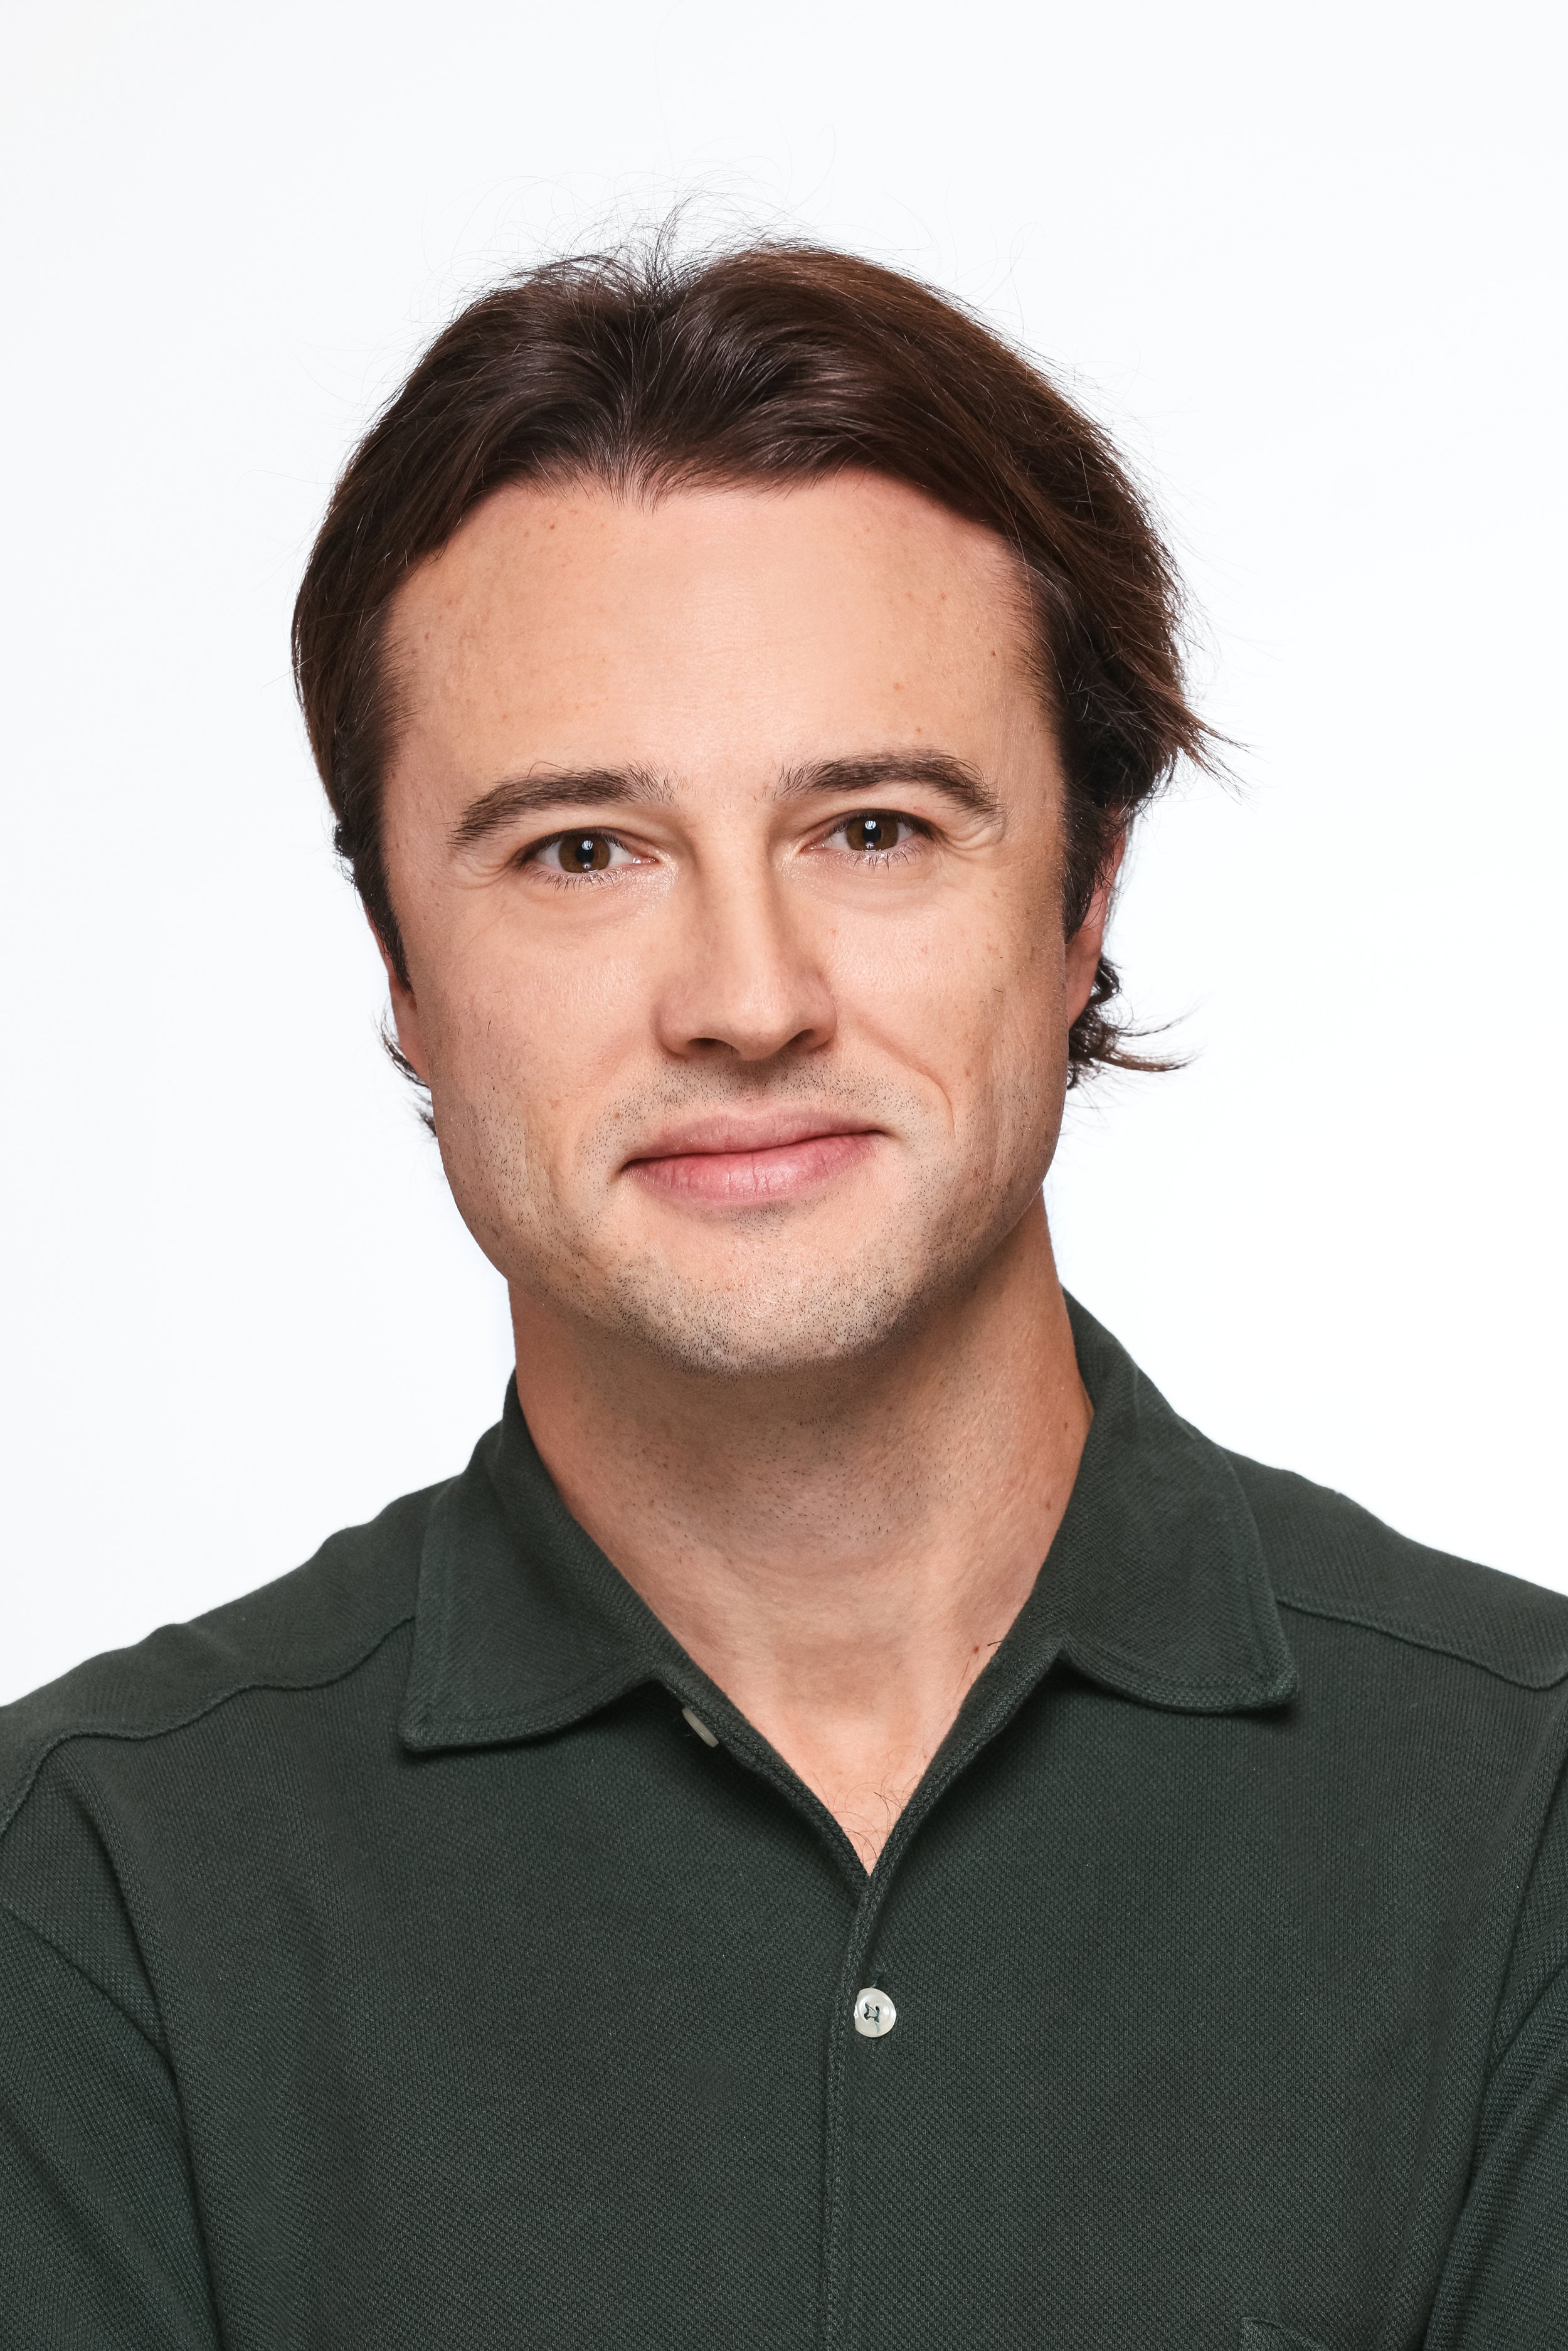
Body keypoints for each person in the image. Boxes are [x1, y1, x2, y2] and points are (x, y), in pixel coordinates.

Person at [1, 238, 1563, 2351]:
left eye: (874, 828)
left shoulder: (1525, 1815)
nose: (745, 999)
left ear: (1086, 894)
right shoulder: (83, 1893)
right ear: (397, 968)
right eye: (580, 851)